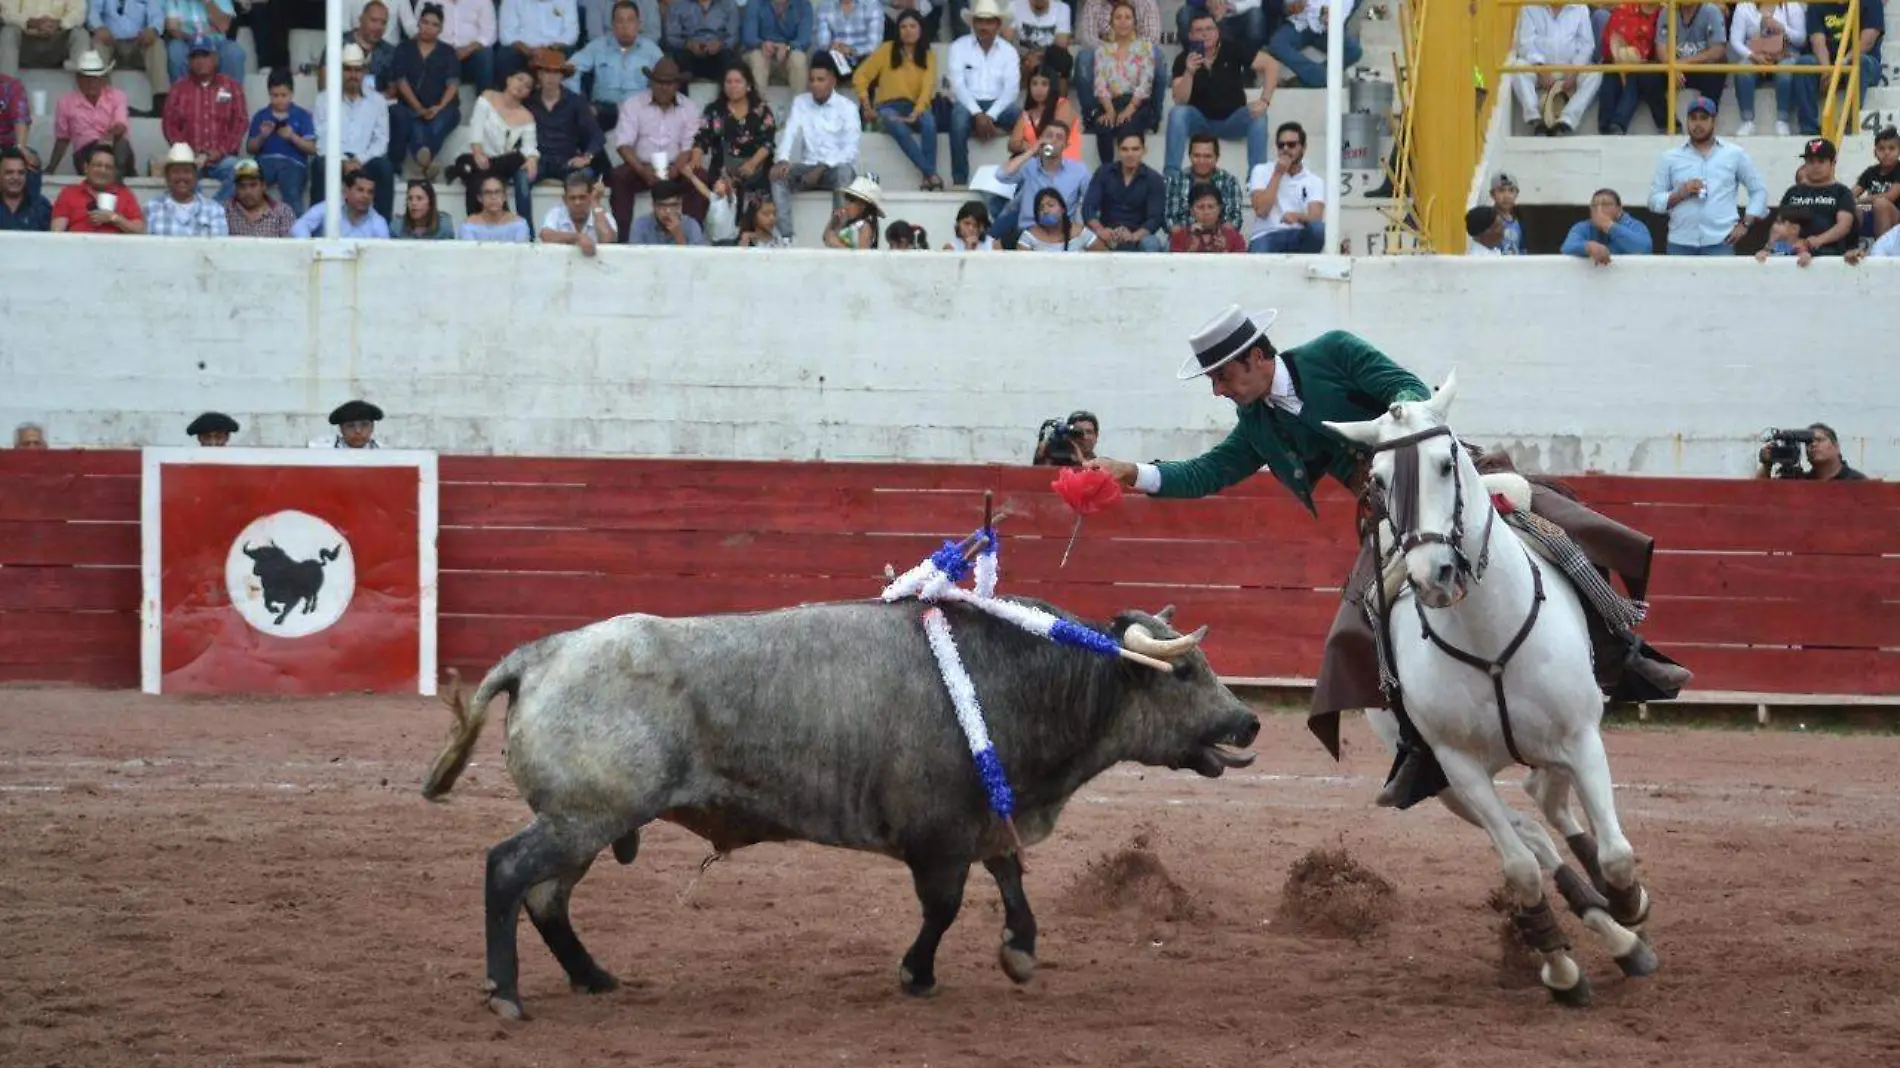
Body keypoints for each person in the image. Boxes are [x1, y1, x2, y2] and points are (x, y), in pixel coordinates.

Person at [1083, 304, 1690, 809]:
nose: (1219, 388)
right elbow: (1208, 470)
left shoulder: (1334, 352)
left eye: (1223, 374)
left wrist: (1395, 424)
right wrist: (1132, 472)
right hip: (1391, 517)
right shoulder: (1258, 423)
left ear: (1259, 357)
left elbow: (1406, 386)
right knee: (1364, 618)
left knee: (1554, 521)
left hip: (1443, 476)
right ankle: (1418, 743)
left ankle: (1625, 650)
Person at [1754, 423, 1869, 480]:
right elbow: (1758, 496)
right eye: (1808, 442)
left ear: (1836, 447)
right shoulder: (1802, 481)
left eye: (1819, 440)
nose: (1813, 444)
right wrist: (1766, 465)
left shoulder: (1856, 481)